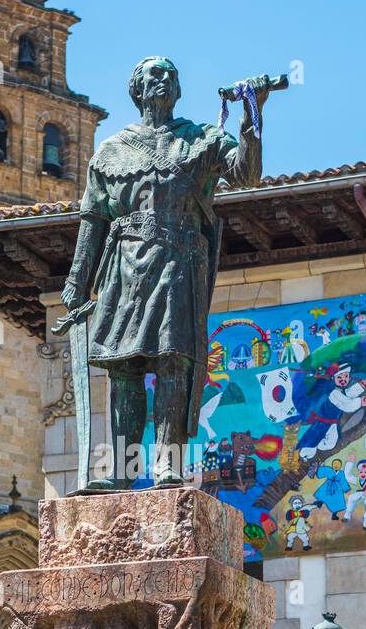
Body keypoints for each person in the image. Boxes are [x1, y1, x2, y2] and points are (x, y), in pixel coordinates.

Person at [61, 57, 272, 490]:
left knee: (172, 361)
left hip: (177, 263)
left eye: (170, 76)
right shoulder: (111, 150)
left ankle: (168, 466)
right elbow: (93, 219)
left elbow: (246, 174)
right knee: (124, 367)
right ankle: (121, 472)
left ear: (178, 92)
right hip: (122, 268)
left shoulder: (200, 140)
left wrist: (253, 114)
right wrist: (77, 280)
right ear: (136, 90)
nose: (163, 80)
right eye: (153, 75)